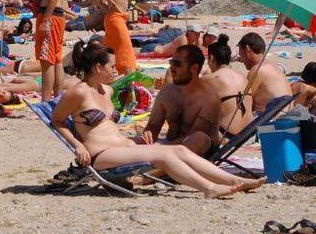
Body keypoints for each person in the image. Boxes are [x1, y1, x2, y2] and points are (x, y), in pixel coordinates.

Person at [52, 41, 265, 198]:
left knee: (180, 150)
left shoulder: (106, 90)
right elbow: (58, 121)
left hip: (123, 146)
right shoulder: (78, 92)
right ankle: (208, 188)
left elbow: (108, 125)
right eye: (111, 66)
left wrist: (140, 136)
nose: (115, 70)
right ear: (98, 68)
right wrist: (78, 146)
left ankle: (235, 180)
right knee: (163, 153)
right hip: (100, 155)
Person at [16, 0, 76, 101]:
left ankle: (46, 100)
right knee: (56, 59)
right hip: (55, 14)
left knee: (47, 60)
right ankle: (56, 98)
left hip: (51, 14)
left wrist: (46, 19)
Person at [144, 45, 221, 156]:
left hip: (197, 153)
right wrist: (148, 133)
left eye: (177, 64)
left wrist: (159, 150)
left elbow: (193, 136)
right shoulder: (167, 94)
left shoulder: (209, 99)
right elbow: (153, 126)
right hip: (167, 149)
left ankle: (156, 169)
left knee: (200, 138)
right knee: (129, 141)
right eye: (171, 63)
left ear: (194, 68)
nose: (172, 69)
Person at [96, 0, 142, 75]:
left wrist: (105, 3)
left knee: (111, 51)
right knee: (125, 50)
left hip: (116, 19)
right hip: (115, 19)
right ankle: (129, 78)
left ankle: (106, 74)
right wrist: (112, 3)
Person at [202, 34, 253, 137]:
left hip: (227, 135)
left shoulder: (210, 78)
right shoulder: (243, 78)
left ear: (211, 58)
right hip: (249, 133)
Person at [237, 32, 293, 113]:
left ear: (247, 49)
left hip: (275, 121)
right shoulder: (273, 66)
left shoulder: (257, 70)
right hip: (288, 116)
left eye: (241, 54)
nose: (241, 60)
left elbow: (245, 104)